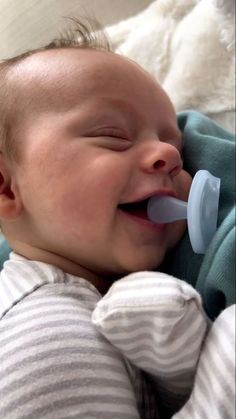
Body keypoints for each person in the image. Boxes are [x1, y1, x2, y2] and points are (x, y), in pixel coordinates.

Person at [0, 19, 234, 419]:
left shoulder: (78, 303)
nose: (172, 155)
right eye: (114, 136)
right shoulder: (42, 337)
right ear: (6, 188)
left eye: (173, 143)